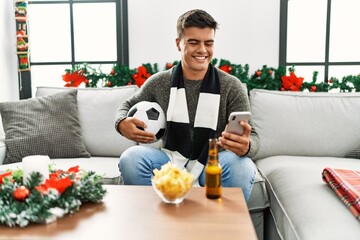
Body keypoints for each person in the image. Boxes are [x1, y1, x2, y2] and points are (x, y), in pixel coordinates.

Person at [114, 9, 260, 201]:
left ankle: (224, 228)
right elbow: (127, 105)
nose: (202, 50)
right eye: (193, 42)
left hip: (214, 161)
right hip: (171, 160)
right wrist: (121, 123)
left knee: (243, 166)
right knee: (131, 158)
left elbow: (254, 138)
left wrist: (247, 146)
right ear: (178, 44)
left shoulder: (232, 86)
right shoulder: (159, 82)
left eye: (208, 43)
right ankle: (153, 223)